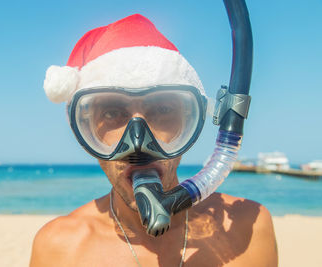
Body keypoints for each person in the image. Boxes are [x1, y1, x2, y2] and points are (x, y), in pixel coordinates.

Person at [30, 14, 278, 267]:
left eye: (163, 110)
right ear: (85, 129)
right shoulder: (59, 249)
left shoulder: (249, 229)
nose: (138, 142)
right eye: (112, 113)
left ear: (190, 121)